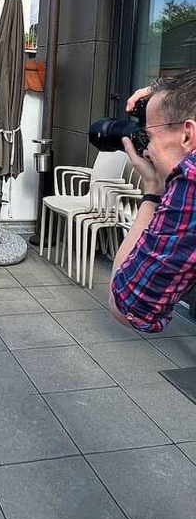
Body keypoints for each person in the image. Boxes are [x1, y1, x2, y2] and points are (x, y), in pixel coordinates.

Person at [109, 71, 196, 332]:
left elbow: (129, 307)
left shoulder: (191, 181)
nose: (147, 148)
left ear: (187, 135)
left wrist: (153, 191)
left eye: (150, 135)